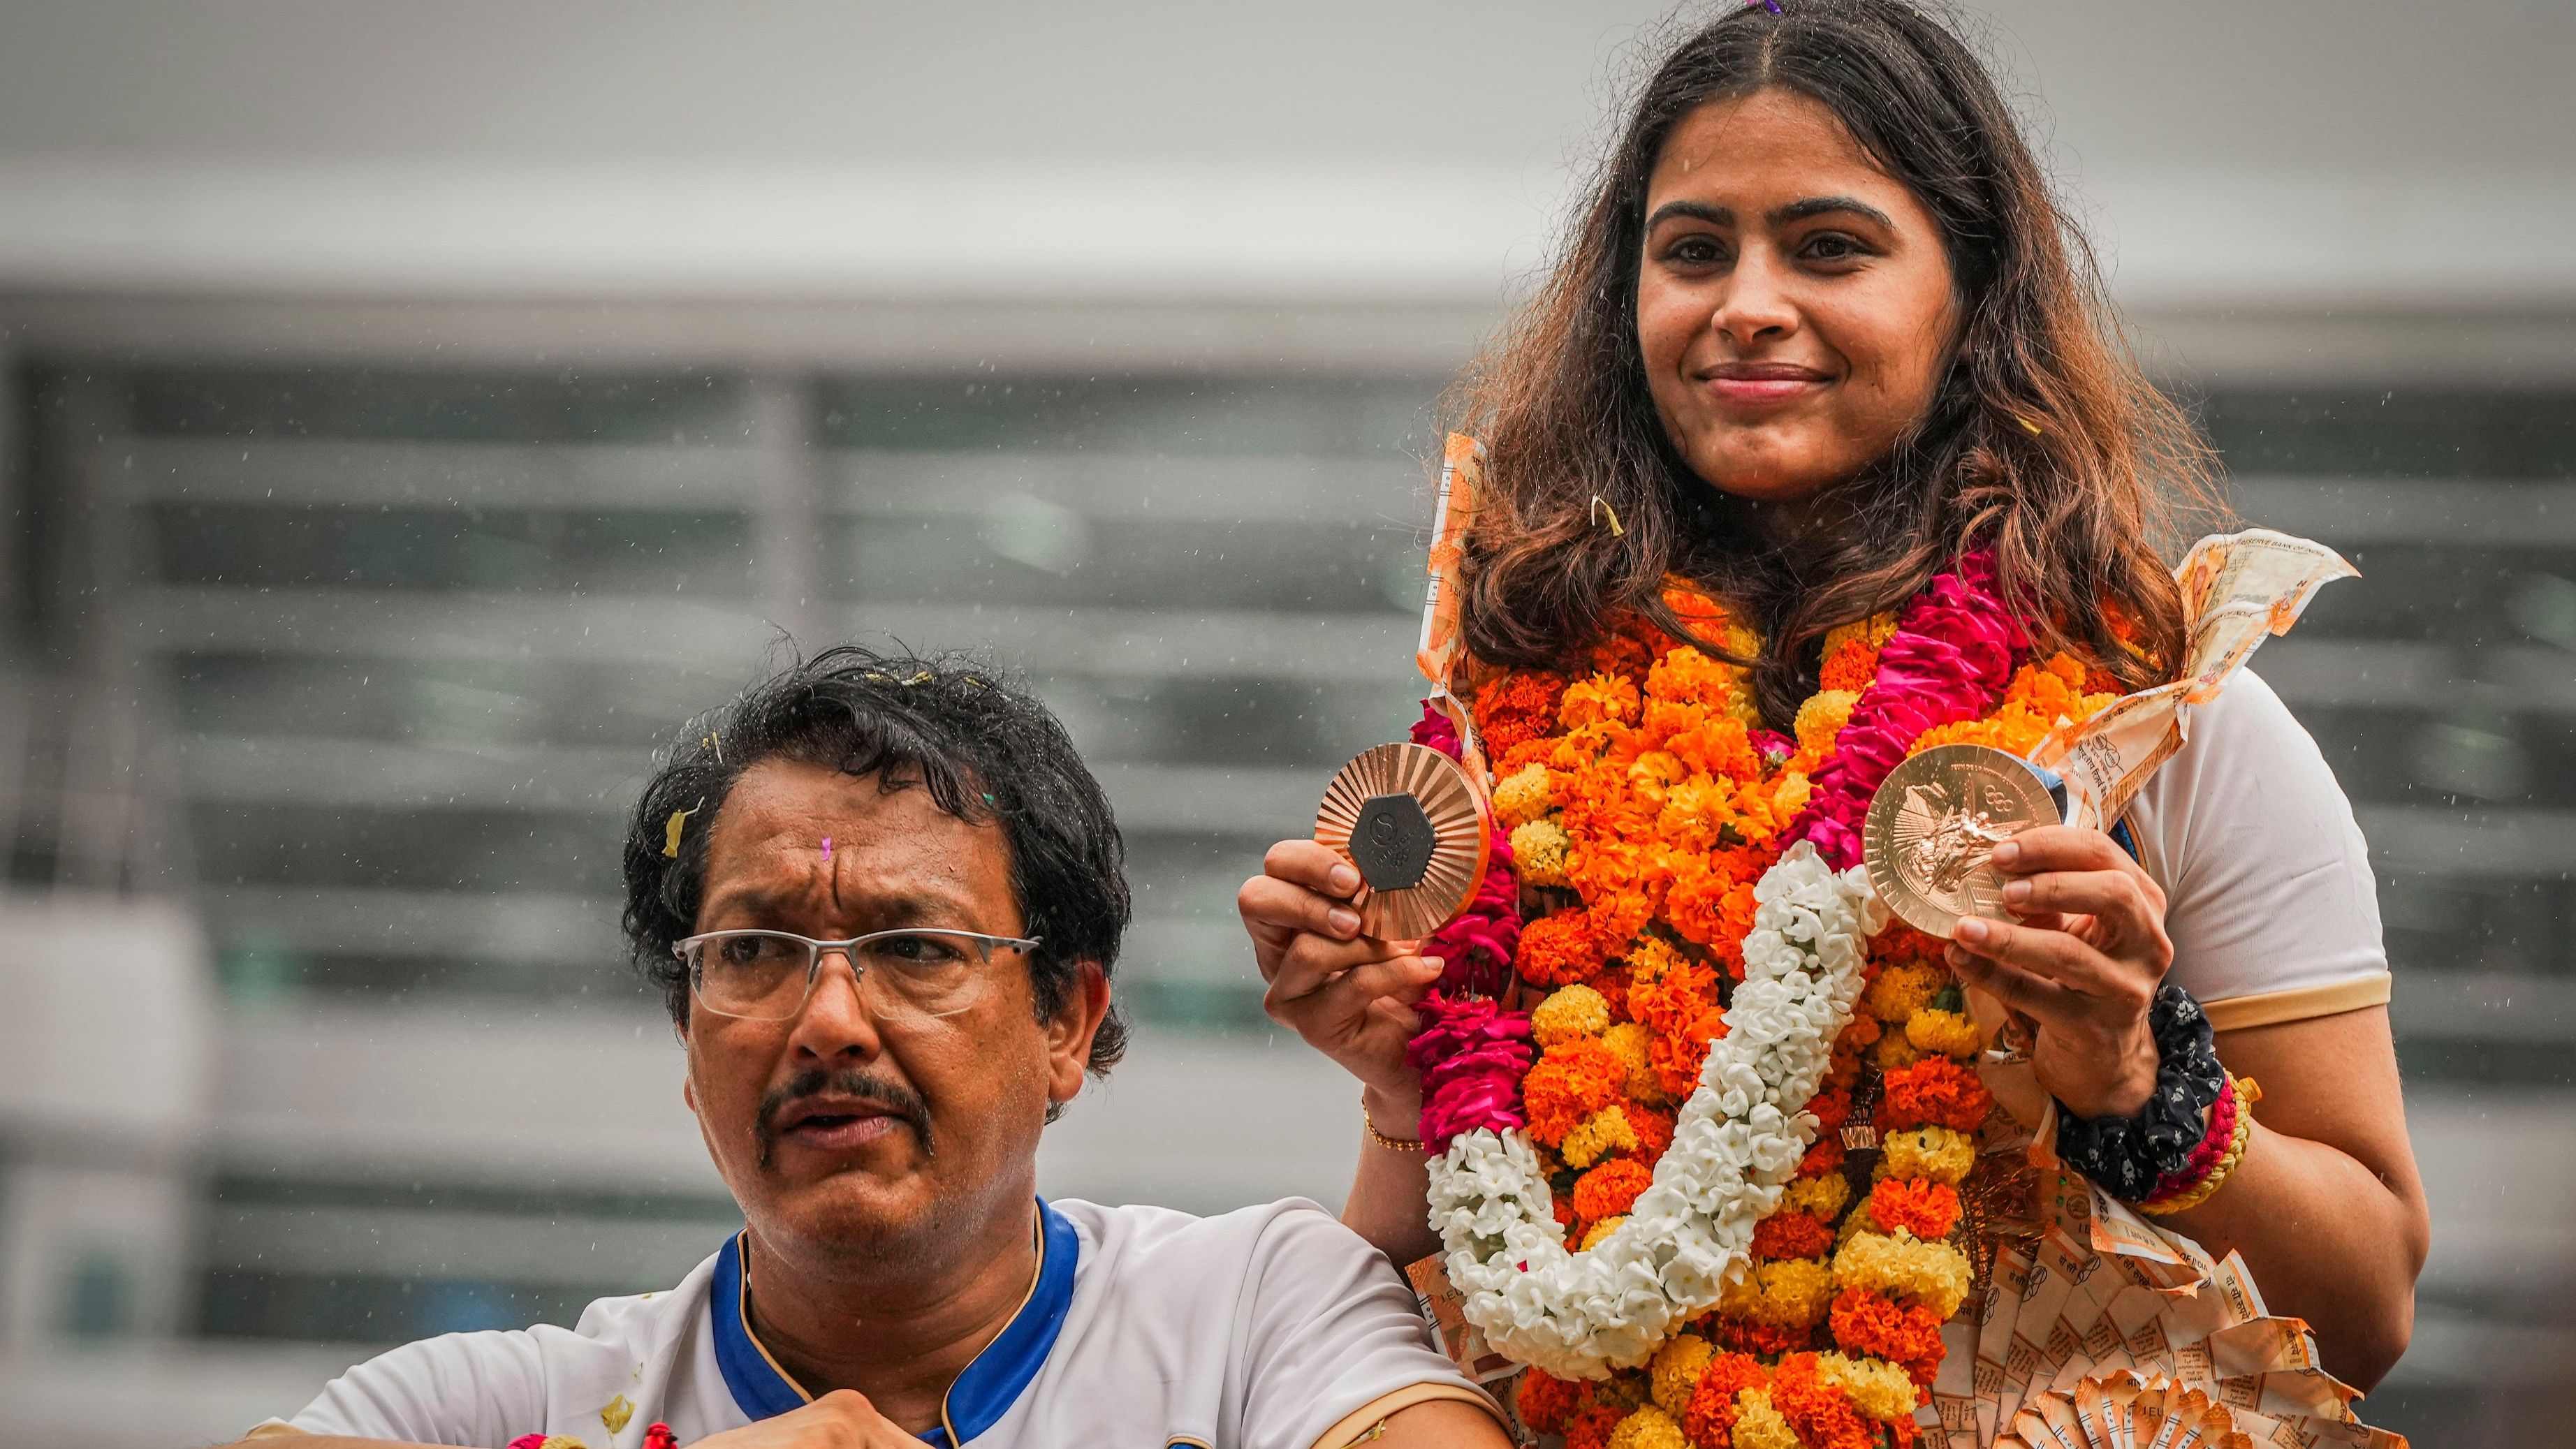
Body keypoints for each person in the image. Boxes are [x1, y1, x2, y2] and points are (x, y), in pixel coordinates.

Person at [1238, 0, 2427, 1394]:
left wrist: (2128, 1084)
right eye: (1689, 250)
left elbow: (2365, 1315)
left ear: (1971, 294)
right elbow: (1410, 1289)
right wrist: (1399, 1079)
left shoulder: (2151, 723)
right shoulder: (1514, 731)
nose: (1744, 301)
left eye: (1827, 247)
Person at [231, 647, 1512, 1449]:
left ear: (1065, 1022)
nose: (827, 1022)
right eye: (752, 953)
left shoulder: (1248, 1311)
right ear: (688, 1043)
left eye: (916, 950)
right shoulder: (512, 1410)